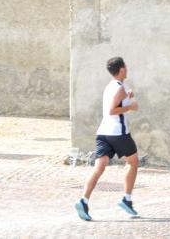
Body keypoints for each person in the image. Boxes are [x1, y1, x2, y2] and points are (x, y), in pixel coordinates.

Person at [74, 57, 140, 221]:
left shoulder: (111, 87)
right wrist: (130, 106)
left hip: (103, 133)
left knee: (99, 167)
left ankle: (83, 201)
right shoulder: (120, 89)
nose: (127, 68)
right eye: (125, 66)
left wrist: (127, 97)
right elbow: (112, 110)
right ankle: (127, 199)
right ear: (122, 69)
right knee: (133, 162)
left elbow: (115, 102)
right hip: (118, 133)